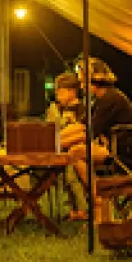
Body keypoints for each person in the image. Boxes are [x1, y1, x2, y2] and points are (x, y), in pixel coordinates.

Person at [65, 58, 132, 192]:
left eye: (83, 82)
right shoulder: (101, 100)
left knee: (76, 153)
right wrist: (57, 138)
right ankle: (93, 196)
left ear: (95, 80)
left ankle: (97, 196)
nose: (82, 87)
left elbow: (87, 133)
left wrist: (58, 143)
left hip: (128, 154)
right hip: (115, 149)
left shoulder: (111, 99)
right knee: (77, 151)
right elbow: (80, 125)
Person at [45, 72, 88, 220]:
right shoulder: (60, 109)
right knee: (66, 180)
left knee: (72, 178)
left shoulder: (80, 109)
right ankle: (73, 209)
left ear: (72, 92)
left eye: (60, 92)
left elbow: (80, 131)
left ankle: (82, 209)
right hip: (64, 151)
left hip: (77, 151)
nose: (58, 95)